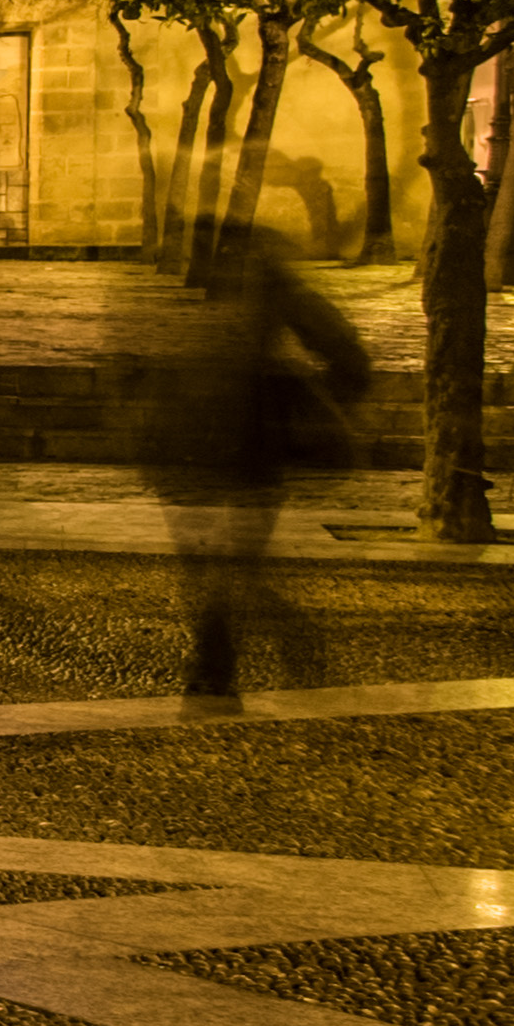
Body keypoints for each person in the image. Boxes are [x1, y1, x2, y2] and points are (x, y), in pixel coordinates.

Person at [141, 215, 373, 699]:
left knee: (216, 563)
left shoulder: (244, 289)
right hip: (222, 443)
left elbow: (347, 358)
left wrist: (302, 405)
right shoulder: (261, 289)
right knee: (223, 562)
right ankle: (227, 648)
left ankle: (217, 653)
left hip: (214, 444)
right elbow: (349, 360)